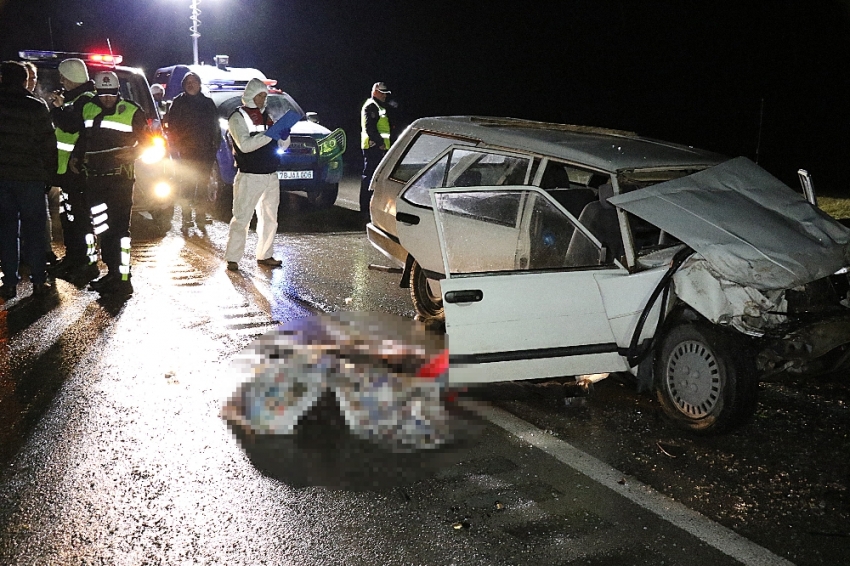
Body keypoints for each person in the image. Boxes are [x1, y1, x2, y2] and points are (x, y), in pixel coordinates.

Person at [75, 71, 152, 297]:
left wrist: (134, 153)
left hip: (120, 180)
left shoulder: (131, 110)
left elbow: (151, 142)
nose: (107, 98)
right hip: (94, 180)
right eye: (103, 94)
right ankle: (111, 273)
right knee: (102, 228)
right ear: (96, 92)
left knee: (119, 230)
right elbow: (82, 137)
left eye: (112, 94)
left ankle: (123, 278)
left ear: (118, 91)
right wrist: (77, 158)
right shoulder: (87, 108)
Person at [0, 61, 57, 299]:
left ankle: (10, 282)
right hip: (31, 178)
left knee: (6, 229)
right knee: (34, 231)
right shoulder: (36, 106)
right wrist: (49, 175)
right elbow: (48, 144)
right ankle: (37, 280)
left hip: (3, 178)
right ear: (25, 80)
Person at [223, 78, 289, 271]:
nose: (263, 98)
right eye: (260, 95)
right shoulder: (237, 117)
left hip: (270, 174)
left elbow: (282, 146)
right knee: (242, 217)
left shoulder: (268, 116)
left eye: (265, 95)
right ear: (250, 95)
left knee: (270, 218)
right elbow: (245, 145)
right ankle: (233, 258)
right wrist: (271, 134)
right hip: (249, 175)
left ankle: (265, 255)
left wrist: (284, 136)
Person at [49, 58, 99, 282]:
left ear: (71, 77)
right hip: (68, 173)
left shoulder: (85, 100)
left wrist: (57, 109)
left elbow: (73, 127)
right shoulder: (75, 99)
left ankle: (88, 263)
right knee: (69, 217)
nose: (61, 81)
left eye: (63, 77)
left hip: (77, 172)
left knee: (81, 219)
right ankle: (73, 257)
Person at [164, 72, 220, 231]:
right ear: (184, 85)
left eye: (194, 81)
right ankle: (186, 217)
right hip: (185, 152)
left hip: (205, 152)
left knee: (203, 185)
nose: (191, 84)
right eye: (188, 82)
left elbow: (215, 126)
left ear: (199, 84)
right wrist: (176, 146)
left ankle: (201, 217)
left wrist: (215, 145)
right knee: (187, 185)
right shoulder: (178, 103)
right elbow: (172, 126)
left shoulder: (207, 103)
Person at [359, 81, 392, 214]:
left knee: (374, 178)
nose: (385, 96)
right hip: (373, 148)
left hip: (378, 147)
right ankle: (365, 209)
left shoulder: (378, 106)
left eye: (385, 93)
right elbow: (370, 128)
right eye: (382, 93)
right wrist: (379, 143)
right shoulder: (371, 106)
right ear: (375, 92)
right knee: (369, 178)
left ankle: (369, 208)